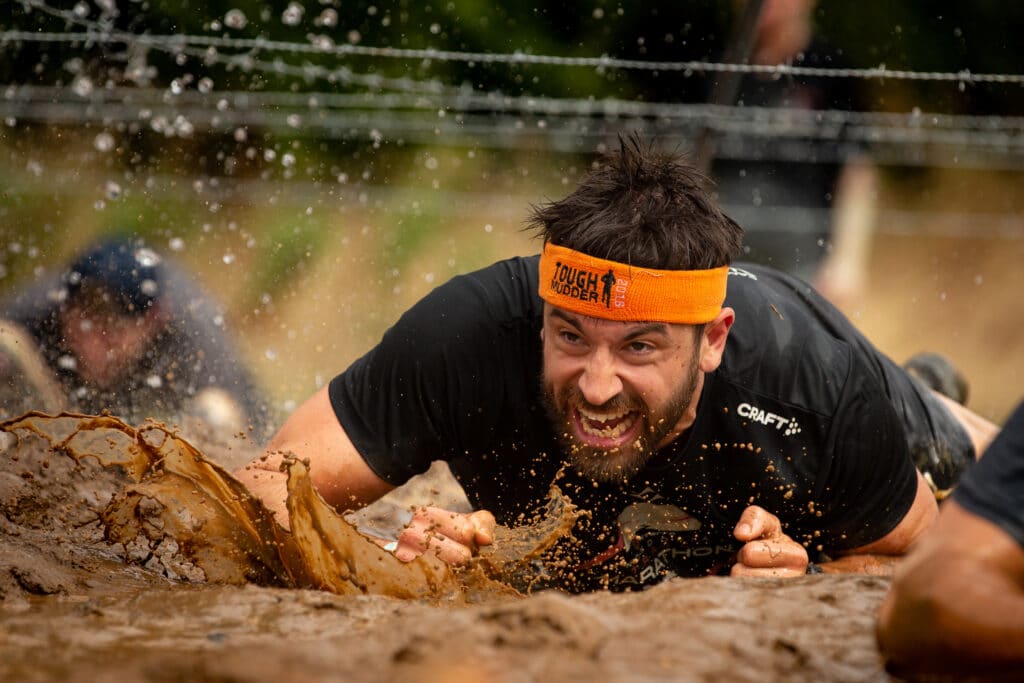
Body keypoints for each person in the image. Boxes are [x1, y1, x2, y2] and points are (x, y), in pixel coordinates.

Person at [236, 137, 996, 592]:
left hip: (847, 375)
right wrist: (388, 568)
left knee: (976, 465)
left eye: (639, 346)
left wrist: (818, 577)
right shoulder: (468, 335)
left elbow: (925, 564)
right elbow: (263, 485)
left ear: (712, 339)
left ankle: (927, 389)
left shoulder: (811, 383)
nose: (596, 388)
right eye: (571, 337)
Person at [0, 236, 270, 436]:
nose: (93, 349)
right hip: (47, 389)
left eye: (112, 334)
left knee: (219, 417)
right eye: (82, 329)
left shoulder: (195, 333)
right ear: (64, 311)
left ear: (153, 322)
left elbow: (254, 429)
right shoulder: (35, 310)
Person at [710, 0, 879, 309]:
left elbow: (857, 173)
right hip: (721, 260)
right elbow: (691, 165)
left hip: (806, 262)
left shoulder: (833, 70)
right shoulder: (715, 67)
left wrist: (847, 261)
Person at [876, 401, 1024, 677]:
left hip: (909, 410)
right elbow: (925, 598)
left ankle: (932, 378)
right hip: (914, 419)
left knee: (976, 446)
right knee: (973, 453)